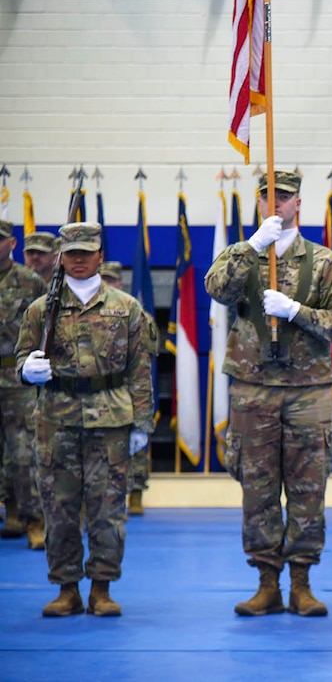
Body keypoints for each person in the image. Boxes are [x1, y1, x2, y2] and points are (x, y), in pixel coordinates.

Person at [205, 169, 332, 618]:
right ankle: (266, 582)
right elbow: (216, 288)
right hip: (254, 389)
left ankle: (302, 583)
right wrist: (251, 246)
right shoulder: (243, 254)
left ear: (298, 203)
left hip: (308, 391)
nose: (275, 204)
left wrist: (296, 310)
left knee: (308, 488)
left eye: (284, 197)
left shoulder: (325, 262)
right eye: (267, 196)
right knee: (258, 488)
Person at [15, 222, 154, 616]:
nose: (77, 260)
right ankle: (66, 588)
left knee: (107, 509)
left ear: (99, 256)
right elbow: (22, 359)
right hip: (56, 419)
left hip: (110, 419)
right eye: (70, 253)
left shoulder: (126, 307)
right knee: (58, 509)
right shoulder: (41, 309)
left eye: (85, 253)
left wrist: (142, 423)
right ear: (61, 257)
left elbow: (139, 370)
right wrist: (29, 369)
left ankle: (102, 588)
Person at [0, 220, 48, 547]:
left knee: (24, 451)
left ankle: (34, 519)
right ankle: (11, 510)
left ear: (11, 243)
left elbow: (47, 327)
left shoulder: (30, 282)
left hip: (16, 377)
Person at [100, 260, 158, 517]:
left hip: (129, 387)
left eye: (111, 280)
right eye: (103, 279)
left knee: (134, 447)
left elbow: (150, 351)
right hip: (100, 390)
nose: (106, 284)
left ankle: (135, 493)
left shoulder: (136, 313)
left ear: (120, 283)